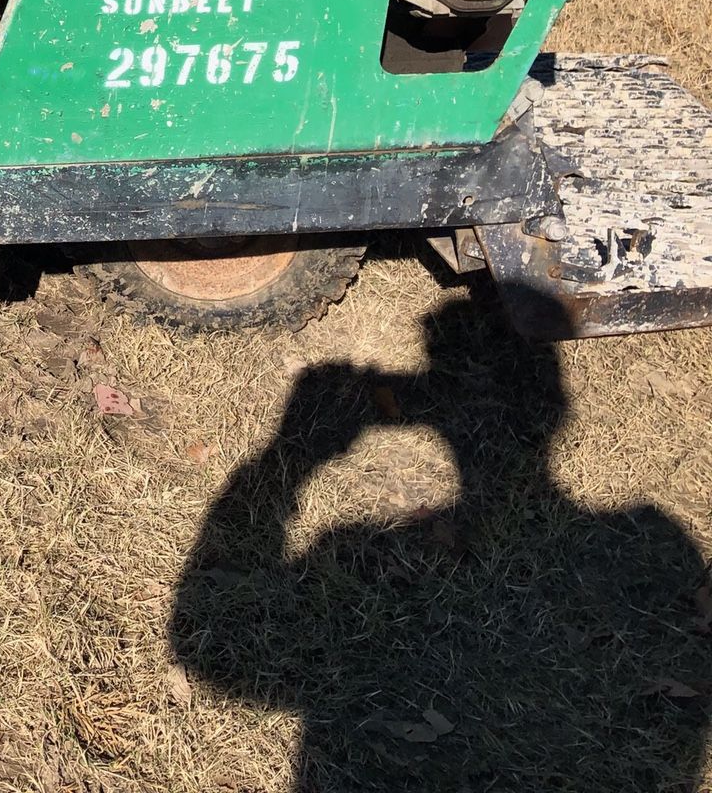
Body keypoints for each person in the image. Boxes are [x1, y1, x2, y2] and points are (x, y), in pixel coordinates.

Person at [171, 297, 711, 790]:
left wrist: (288, 456)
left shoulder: (350, 543)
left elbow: (209, 655)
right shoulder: (665, 545)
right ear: (556, 412)